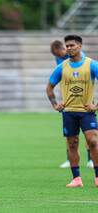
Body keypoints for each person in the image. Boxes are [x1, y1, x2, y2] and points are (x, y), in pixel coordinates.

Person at [46, 35, 98, 188]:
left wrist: (96, 106)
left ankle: (97, 177)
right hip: (68, 112)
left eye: (72, 45)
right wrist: (55, 104)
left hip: (86, 112)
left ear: (80, 46)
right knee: (72, 144)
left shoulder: (91, 65)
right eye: (67, 46)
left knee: (93, 142)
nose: (69, 48)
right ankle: (76, 179)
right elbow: (49, 87)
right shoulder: (62, 67)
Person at [50, 40, 93, 169]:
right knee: (70, 136)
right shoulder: (61, 61)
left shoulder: (82, 59)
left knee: (89, 135)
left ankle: (90, 159)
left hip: (84, 101)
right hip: (69, 102)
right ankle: (70, 160)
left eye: (58, 53)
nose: (58, 56)